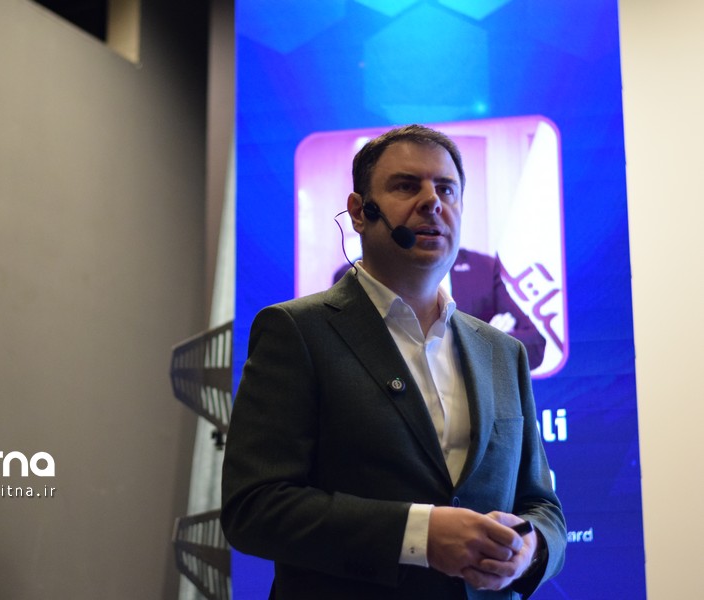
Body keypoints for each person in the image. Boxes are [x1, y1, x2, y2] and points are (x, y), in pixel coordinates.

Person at [221, 125, 565, 599]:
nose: (432, 202)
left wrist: (531, 549)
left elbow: (542, 506)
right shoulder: (297, 332)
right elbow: (254, 508)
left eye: (446, 189)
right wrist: (420, 535)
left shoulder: (502, 351)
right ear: (359, 212)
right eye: (406, 186)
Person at [335, 247, 548, 370]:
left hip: (476, 419)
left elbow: (535, 345)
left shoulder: (483, 269)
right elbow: (354, 356)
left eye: (446, 192)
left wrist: (485, 344)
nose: (434, 206)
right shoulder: (360, 274)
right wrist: (482, 341)